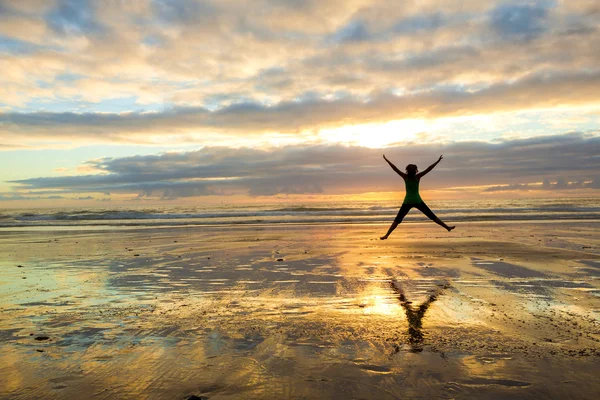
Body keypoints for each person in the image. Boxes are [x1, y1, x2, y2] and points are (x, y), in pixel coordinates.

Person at [380, 155, 455, 240]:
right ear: (415, 171)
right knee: (432, 216)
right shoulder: (417, 177)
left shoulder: (405, 177)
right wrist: (438, 161)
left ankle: (387, 235)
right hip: (417, 200)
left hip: (408, 201)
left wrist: (387, 160)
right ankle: (447, 227)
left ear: (407, 170)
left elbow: (395, 168)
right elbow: (429, 169)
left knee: (397, 219)